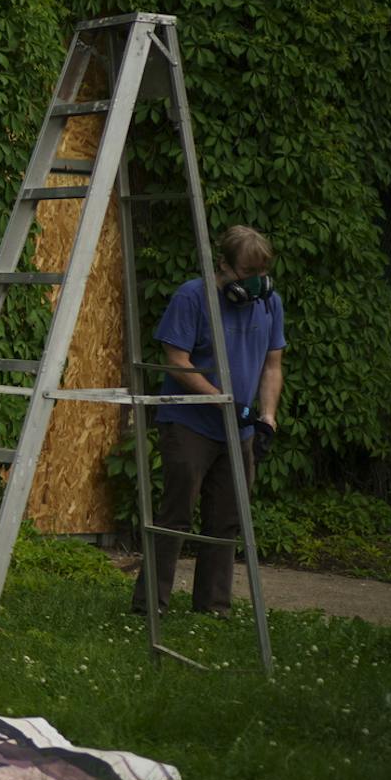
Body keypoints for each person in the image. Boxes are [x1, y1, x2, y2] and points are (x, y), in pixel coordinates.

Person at [132, 225, 286, 617]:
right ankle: (151, 605)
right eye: (246, 273)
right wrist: (219, 399)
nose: (254, 283)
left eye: (260, 273)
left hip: (240, 429)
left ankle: (214, 607)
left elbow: (273, 364)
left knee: (228, 518)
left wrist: (266, 416)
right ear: (224, 266)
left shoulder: (270, 304)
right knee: (176, 516)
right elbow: (177, 363)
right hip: (189, 424)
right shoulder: (192, 296)